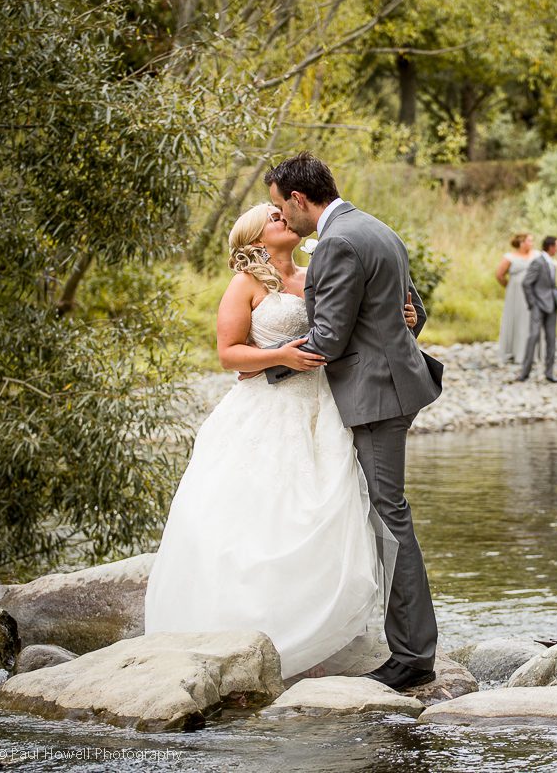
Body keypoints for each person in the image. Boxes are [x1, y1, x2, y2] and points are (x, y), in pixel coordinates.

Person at [144, 202, 422, 683]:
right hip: (266, 411)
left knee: (324, 514)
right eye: (273, 218)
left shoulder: (317, 273)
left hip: (324, 410)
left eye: (283, 213)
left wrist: (402, 318)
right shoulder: (245, 284)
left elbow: (349, 328)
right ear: (255, 239)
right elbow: (229, 354)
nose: (284, 219)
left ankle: (314, 635)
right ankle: (246, 633)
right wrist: (280, 357)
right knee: (262, 518)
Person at [262, 152, 443, 691]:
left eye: (281, 207)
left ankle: (412, 656)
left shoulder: (338, 242)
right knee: (384, 513)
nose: (282, 217)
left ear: (299, 199)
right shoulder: (376, 228)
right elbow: (411, 311)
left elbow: (330, 338)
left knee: (390, 517)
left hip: (377, 393)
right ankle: (401, 642)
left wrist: (265, 366)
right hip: (390, 382)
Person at [516, 236, 557, 383]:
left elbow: (552, 285)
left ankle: (550, 373)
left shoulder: (552, 263)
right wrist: (533, 303)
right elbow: (526, 283)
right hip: (538, 305)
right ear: (551, 247)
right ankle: (525, 372)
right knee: (533, 336)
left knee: (551, 339)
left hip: (552, 305)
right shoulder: (538, 262)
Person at [495, 233, 536, 364]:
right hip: (516, 294)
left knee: (530, 318)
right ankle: (515, 351)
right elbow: (499, 275)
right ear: (521, 243)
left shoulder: (536, 255)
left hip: (532, 292)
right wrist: (510, 286)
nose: (531, 243)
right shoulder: (510, 257)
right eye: (529, 241)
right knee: (517, 318)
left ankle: (530, 351)